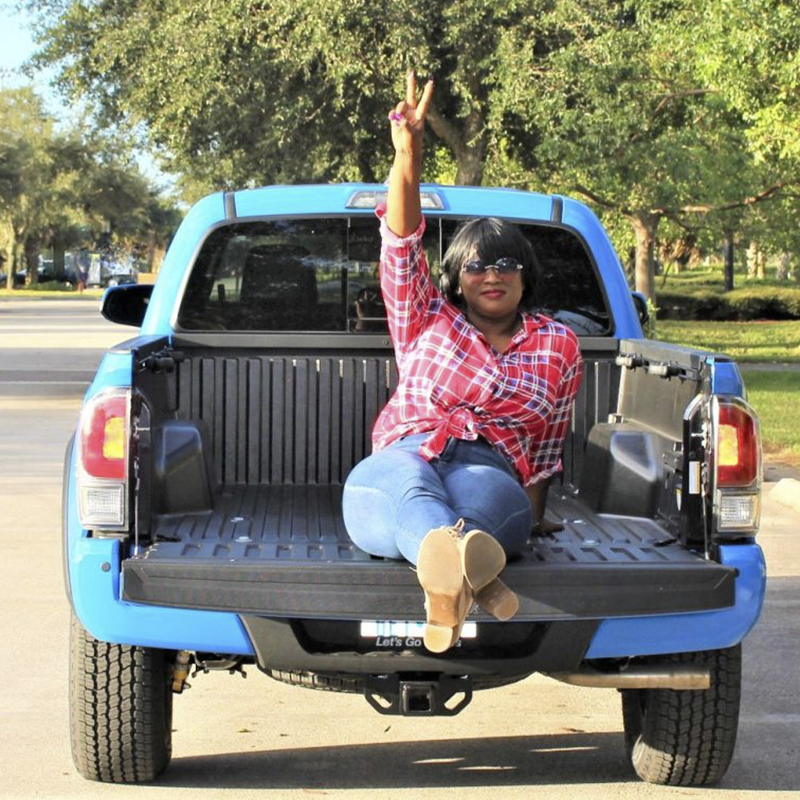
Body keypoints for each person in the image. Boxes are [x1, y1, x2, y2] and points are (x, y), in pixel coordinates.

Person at [342, 72, 583, 653]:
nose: (492, 273)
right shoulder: (426, 317)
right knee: (412, 491)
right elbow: (401, 243)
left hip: (491, 467)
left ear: (526, 274)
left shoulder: (558, 345)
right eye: (476, 265)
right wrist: (408, 156)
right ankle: (468, 579)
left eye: (505, 262)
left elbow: (547, 448)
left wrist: (535, 517)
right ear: (455, 280)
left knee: (486, 508)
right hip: (406, 452)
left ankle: (451, 576)